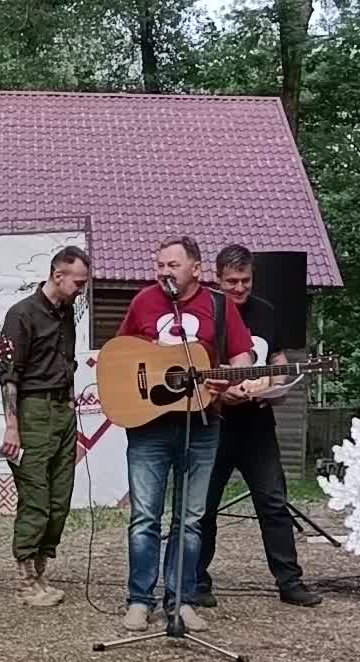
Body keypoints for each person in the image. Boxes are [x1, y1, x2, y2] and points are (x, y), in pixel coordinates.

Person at [114, 236, 251, 632]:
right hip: (148, 426)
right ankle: (139, 600)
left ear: (197, 269)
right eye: (160, 265)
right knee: (144, 517)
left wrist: (240, 382)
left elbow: (241, 357)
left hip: (203, 424)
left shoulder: (220, 305)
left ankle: (182, 600)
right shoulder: (143, 301)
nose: (163, 272)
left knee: (190, 519)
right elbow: (122, 352)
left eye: (172, 265)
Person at [191, 244, 323, 608]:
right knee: (203, 506)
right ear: (217, 279)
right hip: (212, 423)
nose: (239, 288)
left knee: (273, 502)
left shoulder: (265, 312)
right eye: (231, 281)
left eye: (245, 280)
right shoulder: (204, 312)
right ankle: (196, 582)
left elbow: (278, 360)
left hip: (257, 424)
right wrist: (218, 395)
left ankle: (290, 582)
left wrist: (277, 389)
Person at [0, 245, 92, 607]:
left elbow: (65, 364)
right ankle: (25, 581)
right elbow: (8, 375)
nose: (81, 290)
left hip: (62, 411)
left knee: (59, 497)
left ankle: (40, 573)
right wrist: (12, 426)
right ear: (58, 275)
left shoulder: (67, 312)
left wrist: (69, 409)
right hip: (32, 410)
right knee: (36, 497)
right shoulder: (21, 314)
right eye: (78, 283)